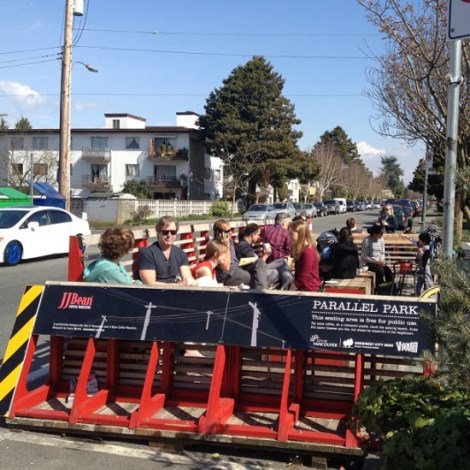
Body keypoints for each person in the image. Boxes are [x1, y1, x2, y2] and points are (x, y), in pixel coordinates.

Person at [137, 215, 197, 286]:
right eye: (165, 232)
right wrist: (179, 285)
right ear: (158, 233)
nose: (169, 235)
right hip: (155, 294)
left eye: (173, 232)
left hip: (176, 291)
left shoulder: (180, 253)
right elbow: (149, 284)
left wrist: (190, 282)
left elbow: (187, 276)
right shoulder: (147, 254)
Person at [236, 223, 294, 290]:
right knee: (277, 272)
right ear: (252, 235)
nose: (259, 237)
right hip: (254, 274)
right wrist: (266, 255)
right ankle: (285, 287)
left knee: (281, 261)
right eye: (258, 235)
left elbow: (255, 263)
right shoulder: (245, 248)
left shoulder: (244, 245)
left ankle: (287, 282)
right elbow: (257, 265)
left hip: (256, 269)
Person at [213, 219, 253, 288]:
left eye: (230, 230)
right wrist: (226, 246)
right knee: (252, 277)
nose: (231, 232)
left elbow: (234, 260)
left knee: (259, 266)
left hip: (237, 269)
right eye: (227, 231)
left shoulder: (230, 240)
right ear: (219, 233)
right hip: (227, 276)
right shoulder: (215, 245)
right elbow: (226, 267)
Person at [288, 219, 322, 292]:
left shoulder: (308, 252)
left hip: (309, 289)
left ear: (300, 234)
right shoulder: (302, 248)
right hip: (303, 287)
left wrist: (288, 292)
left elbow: (302, 278)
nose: (289, 237)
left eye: (291, 234)